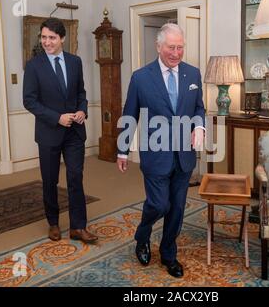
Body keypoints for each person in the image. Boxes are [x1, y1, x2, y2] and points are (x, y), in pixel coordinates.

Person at [117, 23, 205, 278]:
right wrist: (122, 150)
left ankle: (169, 254)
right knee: (158, 204)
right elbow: (129, 115)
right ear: (158, 47)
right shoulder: (141, 77)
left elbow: (199, 108)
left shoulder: (193, 74)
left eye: (180, 47)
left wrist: (199, 126)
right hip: (155, 154)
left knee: (177, 208)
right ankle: (142, 235)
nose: (176, 53)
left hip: (184, 155)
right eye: (171, 47)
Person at [23, 18, 98, 244]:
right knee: (50, 180)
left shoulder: (75, 62)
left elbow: (81, 93)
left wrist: (83, 110)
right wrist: (57, 118)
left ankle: (78, 227)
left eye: (52, 38)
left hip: (75, 133)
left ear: (62, 39)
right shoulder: (34, 65)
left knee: (76, 177)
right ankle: (53, 223)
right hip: (48, 133)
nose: (47, 42)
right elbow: (29, 101)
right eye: (43, 37)